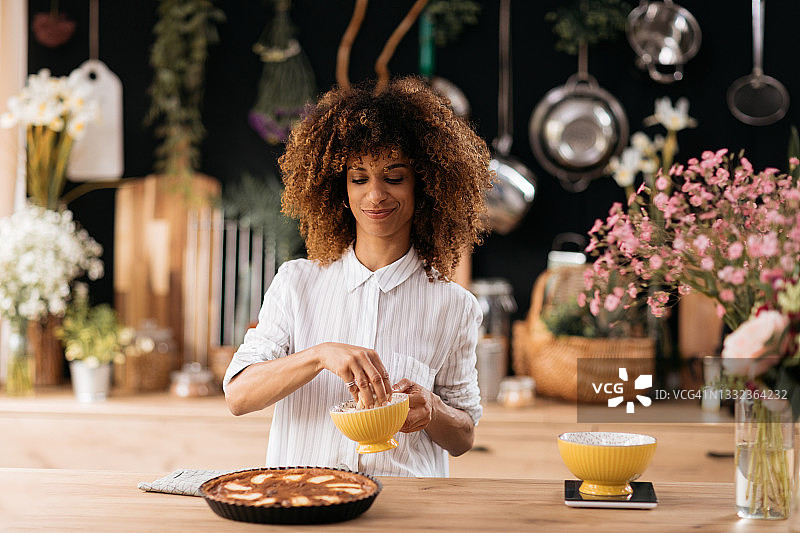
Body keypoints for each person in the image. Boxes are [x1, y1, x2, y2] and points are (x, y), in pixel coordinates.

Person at [223, 76, 493, 477]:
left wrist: (432, 409)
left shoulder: (454, 305)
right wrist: (319, 355)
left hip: (405, 514)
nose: (375, 195)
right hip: (305, 505)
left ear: (426, 184)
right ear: (339, 188)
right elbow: (239, 395)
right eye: (359, 177)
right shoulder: (296, 283)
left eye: (394, 177)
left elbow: (465, 435)